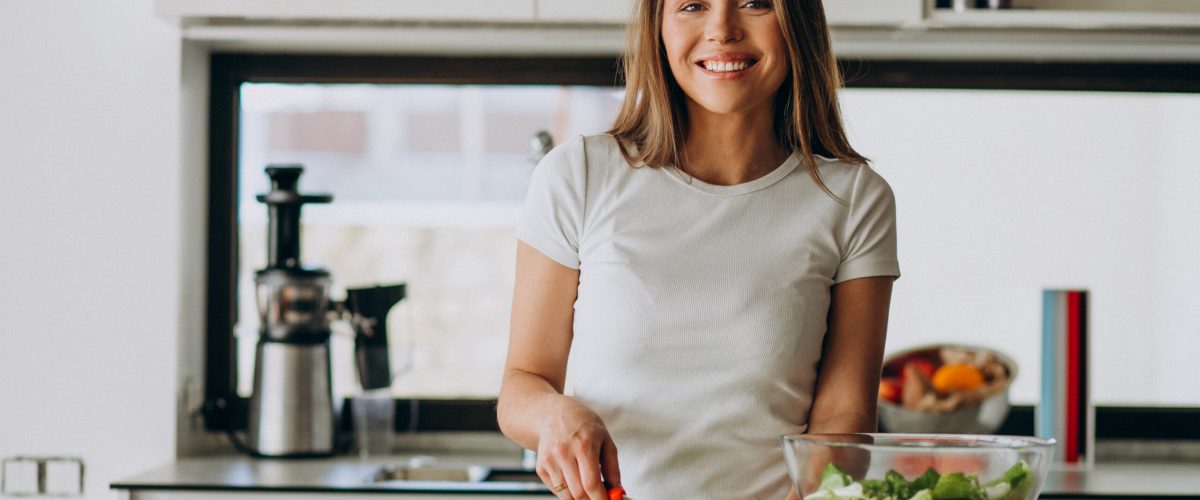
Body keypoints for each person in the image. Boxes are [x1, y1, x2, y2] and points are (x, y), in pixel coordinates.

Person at [497, 0, 899, 498]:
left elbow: (843, 420)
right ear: (658, 27)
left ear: (798, 20)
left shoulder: (854, 199)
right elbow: (522, 384)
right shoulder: (577, 175)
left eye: (755, 3)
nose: (721, 30)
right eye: (692, 5)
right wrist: (553, 414)